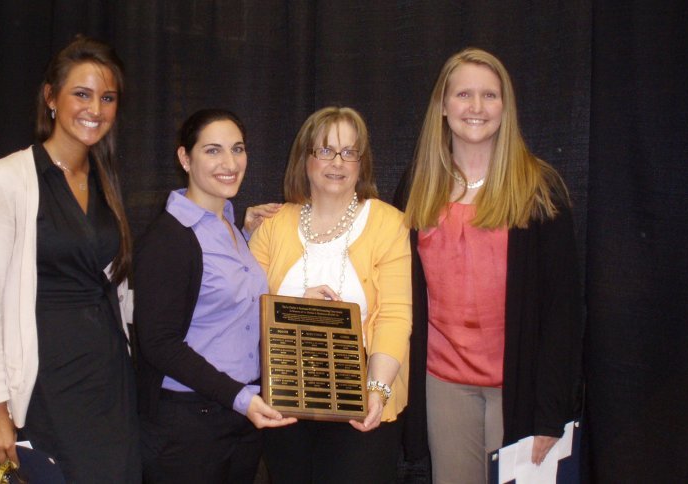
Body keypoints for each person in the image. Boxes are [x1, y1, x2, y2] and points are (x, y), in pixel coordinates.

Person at [401, 47, 583, 483]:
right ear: (442, 107)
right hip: (444, 385)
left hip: (519, 387)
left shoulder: (539, 190)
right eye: (464, 95)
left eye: (490, 96)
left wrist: (549, 415)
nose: (477, 108)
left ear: (506, 107)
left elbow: (564, 313)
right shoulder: (417, 186)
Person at [0, 36, 140, 482]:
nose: (95, 109)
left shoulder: (105, 179)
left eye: (107, 97)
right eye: (81, 94)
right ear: (51, 99)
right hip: (46, 382)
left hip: (108, 377)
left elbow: (116, 285)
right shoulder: (6, 181)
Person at [248, 106, 412, 483]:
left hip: (362, 402)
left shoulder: (389, 223)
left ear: (361, 162)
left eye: (349, 152)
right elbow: (245, 310)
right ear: (304, 159)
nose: (337, 162)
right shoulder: (273, 225)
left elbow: (395, 317)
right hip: (285, 400)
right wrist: (295, 308)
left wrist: (377, 390)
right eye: (325, 150)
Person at [134, 109, 296, 484]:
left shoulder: (231, 226)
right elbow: (159, 344)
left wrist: (302, 300)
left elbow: (233, 310)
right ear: (185, 159)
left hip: (238, 419)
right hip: (189, 424)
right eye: (213, 151)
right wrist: (240, 397)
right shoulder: (168, 239)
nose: (230, 163)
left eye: (237, 149)